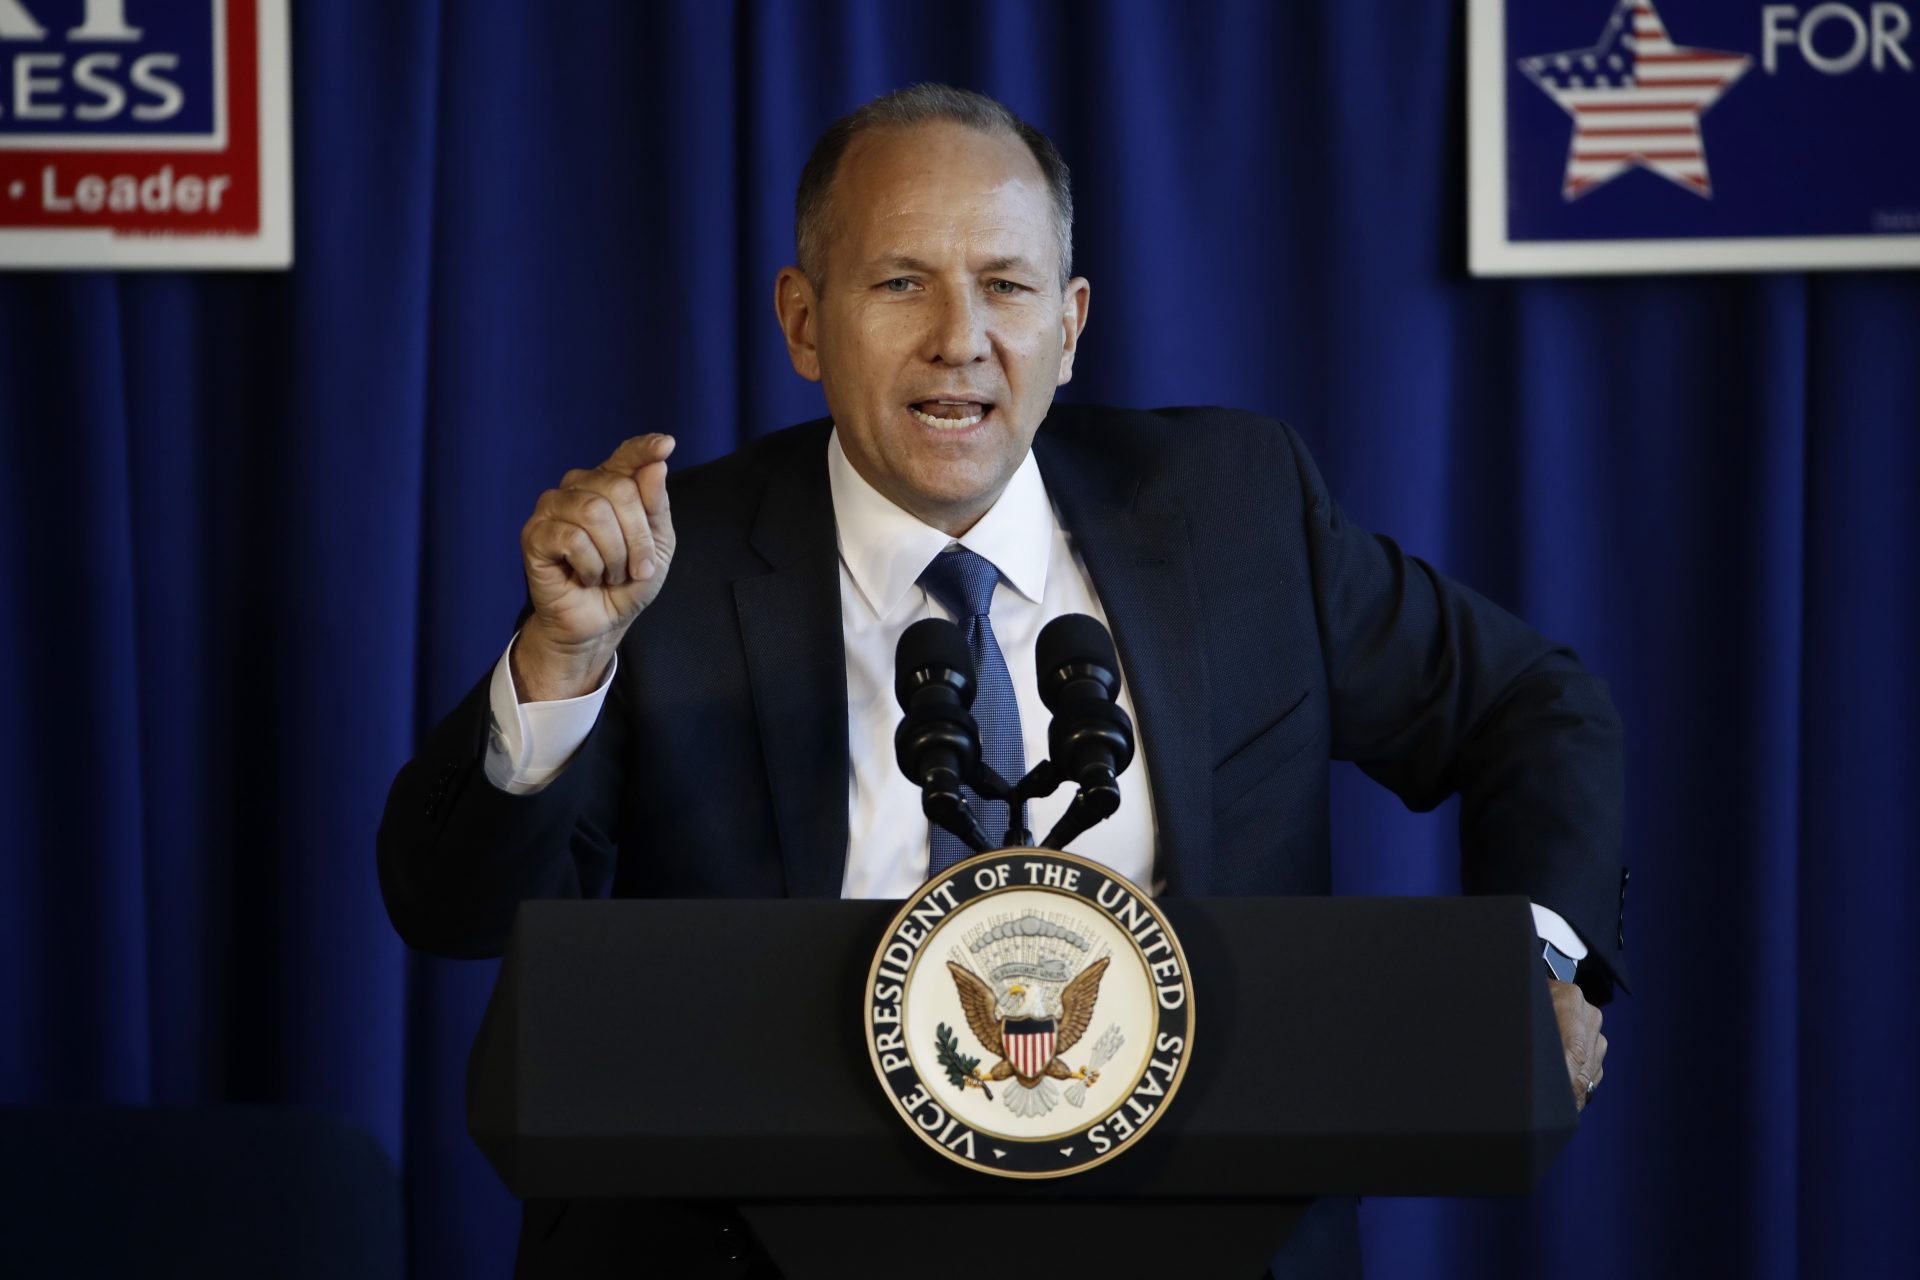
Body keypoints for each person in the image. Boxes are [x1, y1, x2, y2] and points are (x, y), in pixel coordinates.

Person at [379, 84, 1625, 1280]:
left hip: (1201, 1241)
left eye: (1008, 286)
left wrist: (1545, 957)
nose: (960, 340)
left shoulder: (1234, 512)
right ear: (804, 320)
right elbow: (452, 909)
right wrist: (563, 660)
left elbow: (1534, 706)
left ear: (1071, 323)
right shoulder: (664, 563)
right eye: (901, 281)